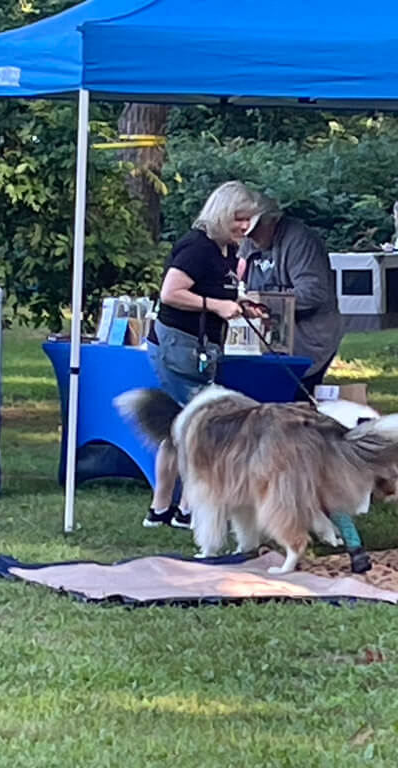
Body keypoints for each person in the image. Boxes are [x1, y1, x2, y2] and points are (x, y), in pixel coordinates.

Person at [142, 180, 263, 529]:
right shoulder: (197, 247)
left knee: (177, 427)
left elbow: (214, 291)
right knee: (200, 426)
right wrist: (218, 306)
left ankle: (163, 510)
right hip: (179, 346)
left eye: (248, 221)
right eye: (238, 219)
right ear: (221, 213)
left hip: (200, 347)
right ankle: (187, 509)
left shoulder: (226, 250)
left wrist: (239, 305)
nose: (244, 227)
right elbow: (171, 293)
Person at [238, 193, 343, 400]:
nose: (250, 237)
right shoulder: (250, 242)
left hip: (308, 338)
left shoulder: (301, 241)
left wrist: (262, 302)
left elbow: (313, 293)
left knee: (295, 404)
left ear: (272, 220)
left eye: (255, 230)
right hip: (269, 340)